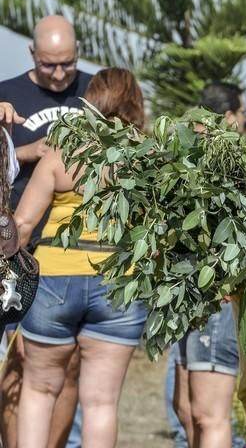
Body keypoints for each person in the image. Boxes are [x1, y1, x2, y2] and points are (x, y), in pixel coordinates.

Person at [13, 68, 147, 448]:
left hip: (55, 278)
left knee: (39, 391)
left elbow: (23, 225)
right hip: (119, 282)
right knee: (102, 403)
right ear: (134, 103)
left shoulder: (62, 151)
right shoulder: (148, 160)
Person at [0, 14, 92, 448]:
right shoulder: (6, 94)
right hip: (14, 248)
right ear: (32, 55)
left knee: (68, 366)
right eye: (49, 64)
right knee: (17, 364)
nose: (59, 74)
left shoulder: (95, 93)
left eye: (68, 64)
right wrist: (29, 150)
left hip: (68, 254)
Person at [172, 81, 244, 448]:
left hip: (216, 300)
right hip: (193, 301)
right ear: (228, 116)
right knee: (186, 408)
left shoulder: (234, 164)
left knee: (208, 414)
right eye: (242, 115)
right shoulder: (189, 156)